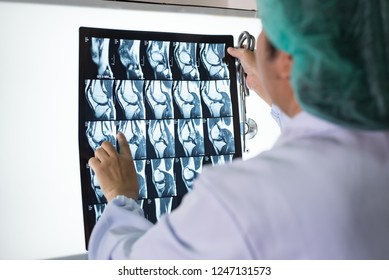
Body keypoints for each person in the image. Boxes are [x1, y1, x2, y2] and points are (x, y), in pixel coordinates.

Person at [87, 0, 389, 259]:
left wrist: (119, 197)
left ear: (285, 61)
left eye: (265, 29)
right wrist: (282, 94)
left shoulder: (240, 199)